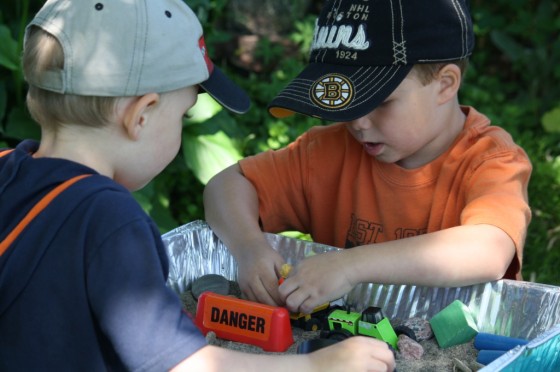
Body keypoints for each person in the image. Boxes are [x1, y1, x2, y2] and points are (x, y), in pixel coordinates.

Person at [0, 0, 395, 371]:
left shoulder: (7, 172)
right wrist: (312, 365)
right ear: (141, 115)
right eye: (184, 116)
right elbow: (183, 364)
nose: (182, 126)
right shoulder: (109, 219)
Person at [204, 0, 532, 315]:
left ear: (445, 85)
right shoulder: (327, 154)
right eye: (348, 102)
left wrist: (351, 265)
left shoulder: (490, 162)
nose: (358, 122)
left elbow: (488, 249)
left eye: (381, 102)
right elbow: (226, 186)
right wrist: (249, 247)